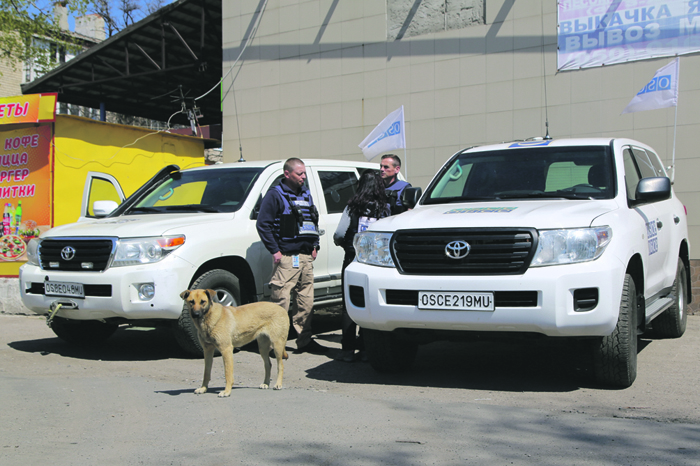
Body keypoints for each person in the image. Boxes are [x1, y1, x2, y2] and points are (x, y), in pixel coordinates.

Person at [256, 158, 328, 354]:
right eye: (299, 174)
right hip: (287, 256)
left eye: (304, 173)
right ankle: (273, 345)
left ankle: (304, 341)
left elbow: (313, 220)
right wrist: (275, 250)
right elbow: (263, 224)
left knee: (306, 301)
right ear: (287, 174)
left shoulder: (306, 194)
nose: (303, 177)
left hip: (305, 256)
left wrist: (315, 245)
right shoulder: (275, 195)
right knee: (281, 302)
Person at [333, 170, 390, 362]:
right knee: (371, 303)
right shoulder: (384, 208)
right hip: (375, 264)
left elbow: (339, 234)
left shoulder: (352, 207)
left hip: (353, 259)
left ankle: (347, 350)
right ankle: (367, 348)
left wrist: (347, 246)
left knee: (348, 305)